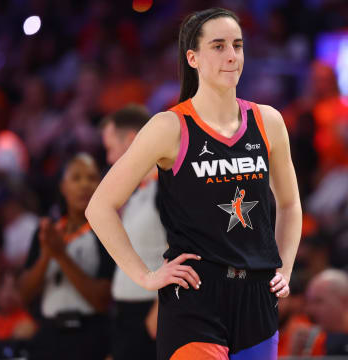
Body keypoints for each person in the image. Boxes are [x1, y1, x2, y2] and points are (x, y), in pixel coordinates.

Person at [86, 7, 302, 360]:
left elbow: (291, 205)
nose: (232, 56)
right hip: (195, 296)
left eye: (238, 45)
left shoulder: (268, 121)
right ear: (193, 57)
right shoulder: (168, 126)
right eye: (218, 46)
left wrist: (286, 268)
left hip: (258, 297)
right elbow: (99, 207)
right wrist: (146, 276)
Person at [19, 153, 115, 360]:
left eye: (91, 178)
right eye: (76, 178)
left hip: (91, 335)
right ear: (63, 187)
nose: (85, 185)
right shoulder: (47, 232)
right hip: (49, 334)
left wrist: (61, 256)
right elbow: (24, 294)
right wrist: (46, 255)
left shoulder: (107, 230)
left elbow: (101, 300)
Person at [101, 104, 167, 360]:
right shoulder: (139, 191)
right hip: (127, 317)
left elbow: (188, 244)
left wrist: (162, 307)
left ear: (131, 141)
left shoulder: (164, 186)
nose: (108, 159)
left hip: (150, 314)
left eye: (110, 149)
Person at [305, 269, 348, 356]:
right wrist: (297, 355)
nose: (310, 310)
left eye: (319, 301)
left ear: (345, 301)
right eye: (309, 302)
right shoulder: (313, 341)